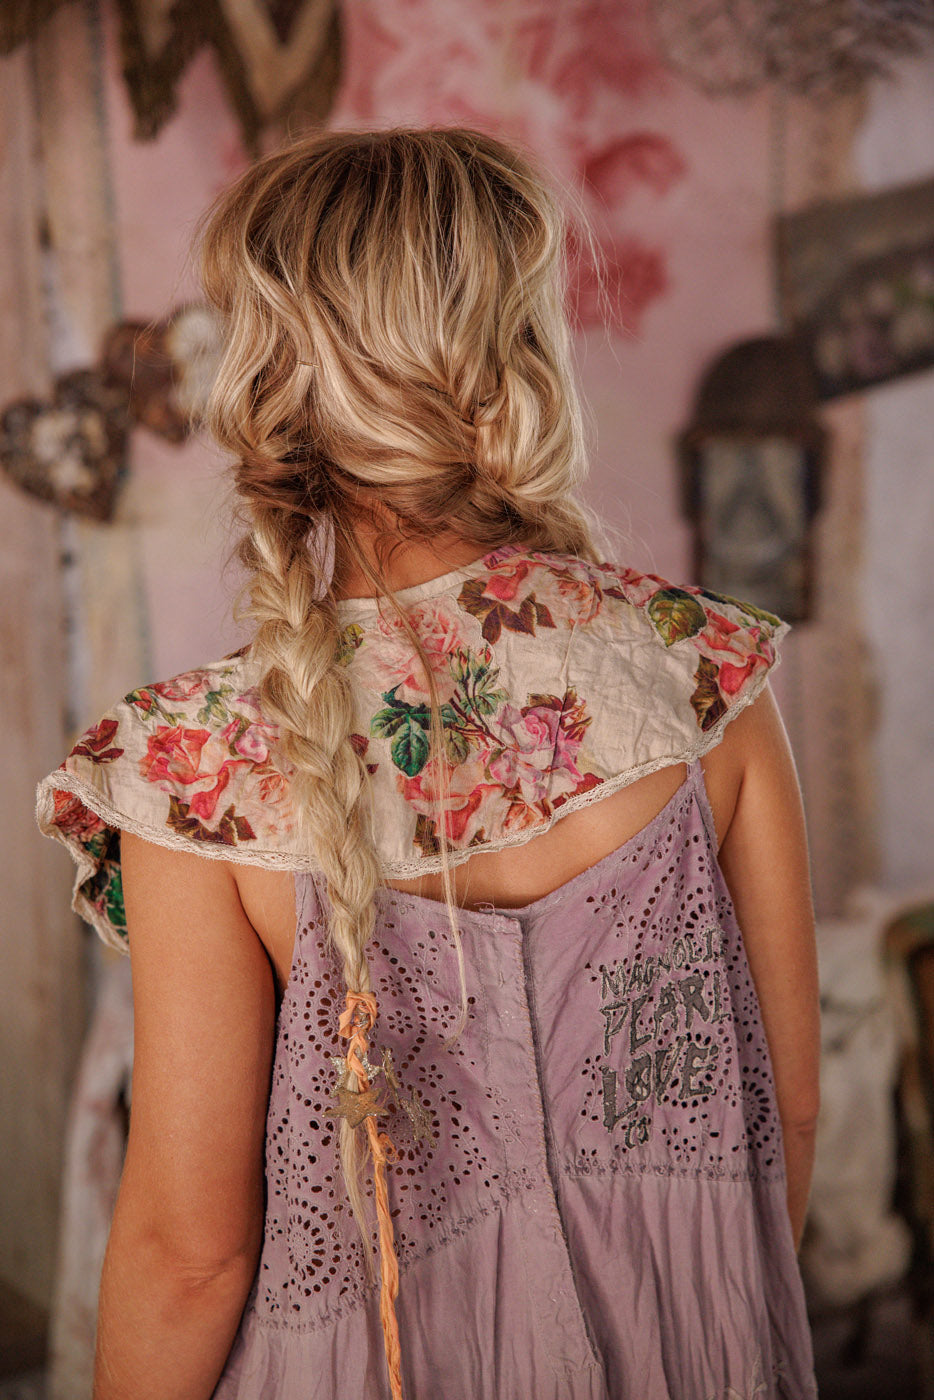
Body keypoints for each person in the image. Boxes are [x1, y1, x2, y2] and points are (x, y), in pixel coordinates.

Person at [37, 127, 820, 1400]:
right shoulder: (705, 673)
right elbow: (782, 1113)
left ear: (271, 381)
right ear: (518, 356)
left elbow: (191, 1253)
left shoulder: (192, 767)